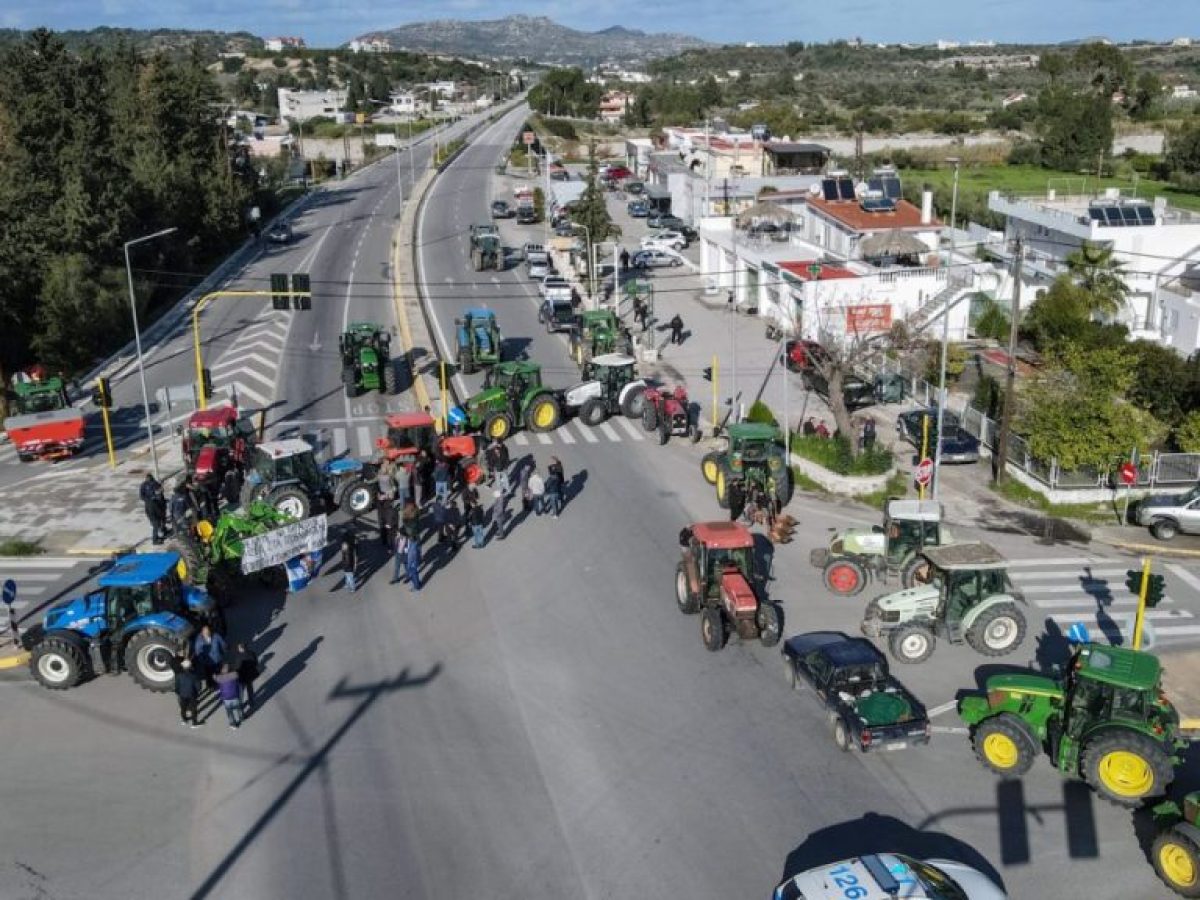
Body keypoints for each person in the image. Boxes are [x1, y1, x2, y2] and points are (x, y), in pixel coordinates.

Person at [229, 642, 260, 713]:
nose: (238, 649)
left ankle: (240, 704)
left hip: (242, 677)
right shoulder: (252, 653)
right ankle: (251, 702)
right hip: (250, 675)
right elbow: (256, 663)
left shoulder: (239, 657)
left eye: (238, 648)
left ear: (241, 648)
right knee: (250, 689)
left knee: (241, 692)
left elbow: (236, 667)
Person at [193, 624, 226, 691]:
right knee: (209, 675)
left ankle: (218, 684)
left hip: (217, 660)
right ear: (202, 632)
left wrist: (223, 652)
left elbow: (222, 644)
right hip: (207, 663)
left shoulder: (216, 636)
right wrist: (203, 661)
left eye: (208, 632)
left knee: (218, 673)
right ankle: (211, 686)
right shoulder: (199, 640)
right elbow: (198, 652)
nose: (207, 634)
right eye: (205, 632)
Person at [174, 658, 201, 728]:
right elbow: (198, 687)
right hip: (192, 694)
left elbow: (176, 686)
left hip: (182, 694)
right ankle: (194, 723)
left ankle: (184, 720)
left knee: (183, 709)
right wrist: (197, 692)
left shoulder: (179, 675)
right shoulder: (194, 676)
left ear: (183, 667)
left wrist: (178, 692)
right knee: (193, 709)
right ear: (190, 666)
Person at [214, 664, 243, 729]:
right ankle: (241, 717)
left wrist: (215, 676)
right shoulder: (234, 674)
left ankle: (233, 724)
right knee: (238, 707)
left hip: (226, 698)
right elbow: (237, 675)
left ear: (222, 670)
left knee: (229, 711)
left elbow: (215, 679)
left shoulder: (219, 678)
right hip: (235, 695)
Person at [140, 474, 167, 544]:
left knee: (161, 520)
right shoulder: (144, 486)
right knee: (156, 524)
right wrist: (152, 497)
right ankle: (155, 540)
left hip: (157, 507)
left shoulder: (155, 484)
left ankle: (163, 530)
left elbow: (161, 493)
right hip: (153, 508)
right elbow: (141, 496)